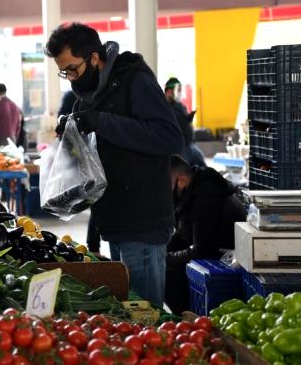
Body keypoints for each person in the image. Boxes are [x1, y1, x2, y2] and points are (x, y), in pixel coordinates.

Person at [46, 22, 183, 308]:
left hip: (143, 221)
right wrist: (72, 133)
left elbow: (169, 138)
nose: (70, 77)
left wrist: (102, 122)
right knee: (130, 310)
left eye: (73, 68)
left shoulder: (135, 80)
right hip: (115, 219)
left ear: (94, 58)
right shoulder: (91, 92)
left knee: (145, 314)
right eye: (64, 71)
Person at [165, 155, 248, 314]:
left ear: (181, 181)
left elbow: (203, 250)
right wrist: (163, 250)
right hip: (213, 251)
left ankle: (188, 319)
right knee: (165, 262)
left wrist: (166, 258)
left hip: (226, 260)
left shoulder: (206, 197)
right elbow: (185, 234)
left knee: (168, 273)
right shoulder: (194, 189)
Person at [164, 77, 206, 167]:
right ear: (169, 92)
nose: (180, 93)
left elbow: (184, 120)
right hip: (179, 148)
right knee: (182, 170)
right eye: (178, 90)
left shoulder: (180, 105)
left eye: (180, 90)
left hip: (190, 145)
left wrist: (190, 116)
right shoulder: (164, 107)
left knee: (202, 166)